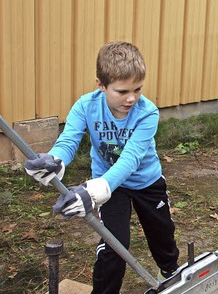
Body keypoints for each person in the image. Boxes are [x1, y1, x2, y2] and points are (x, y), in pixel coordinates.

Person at [24, 41, 179, 294]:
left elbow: (131, 158)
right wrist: (55, 160)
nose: (131, 98)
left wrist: (94, 191)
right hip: (110, 185)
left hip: (146, 183)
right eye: (122, 91)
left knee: (162, 235)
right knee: (114, 245)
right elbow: (69, 140)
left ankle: (171, 275)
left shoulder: (147, 112)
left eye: (137, 89)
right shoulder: (86, 106)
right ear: (101, 85)